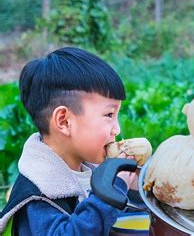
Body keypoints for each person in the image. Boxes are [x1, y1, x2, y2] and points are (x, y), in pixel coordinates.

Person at [0, 47, 137, 235]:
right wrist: (111, 192)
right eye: (109, 115)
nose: (117, 129)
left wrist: (135, 187)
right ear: (64, 121)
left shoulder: (88, 169)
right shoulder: (38, 197)